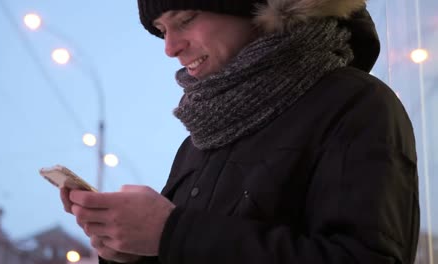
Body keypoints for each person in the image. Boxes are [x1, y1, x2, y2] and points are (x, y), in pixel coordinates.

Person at [60, 0, 420, 263]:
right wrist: (132, 250)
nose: (170, 48)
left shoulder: (355, 104)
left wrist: (171, 232)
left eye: (184, 20)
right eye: (161, 32)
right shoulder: (201, 137)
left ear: (251, 7)